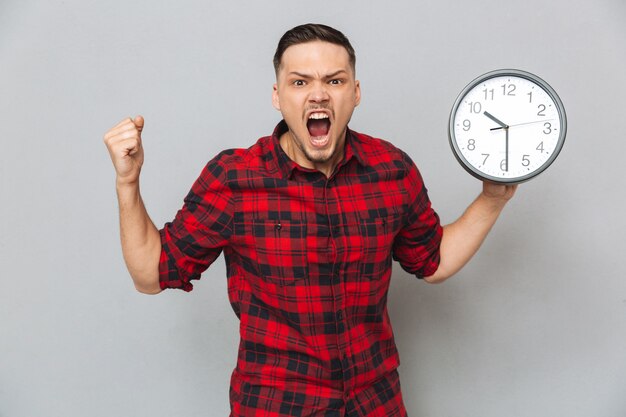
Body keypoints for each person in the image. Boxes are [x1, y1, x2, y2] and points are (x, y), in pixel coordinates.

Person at [104, 23, 516, 417]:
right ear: (277, 96)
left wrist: (493, 198)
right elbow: (150, 274)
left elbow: (434, 260)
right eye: (300, 82)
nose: (318, 94)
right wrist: (128, 182)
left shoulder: (392, 169)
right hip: (276, 406)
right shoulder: (235, 179)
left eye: (334, 81)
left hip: (375, 403)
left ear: (355, 93)